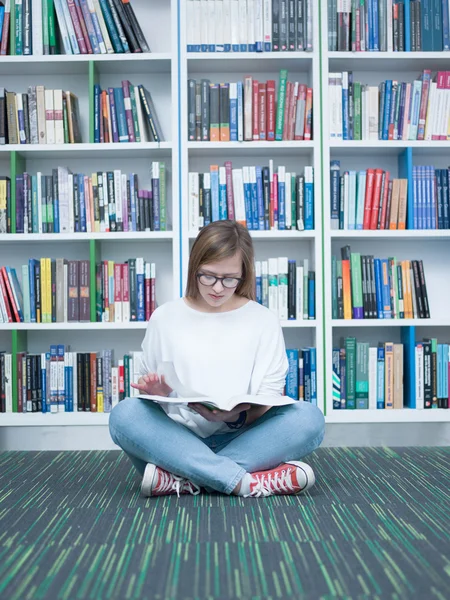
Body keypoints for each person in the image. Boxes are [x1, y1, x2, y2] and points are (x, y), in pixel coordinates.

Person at [109, 220, 325, 498]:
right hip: (177, 440)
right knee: (125, 415)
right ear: (195, 267)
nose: (218, 288)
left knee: (309, 418)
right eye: (208, 276)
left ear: (243, 275)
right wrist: (159, 394)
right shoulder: (164, 318)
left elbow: (267, 401)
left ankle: (185, 478)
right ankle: (247, 482)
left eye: (229, 279)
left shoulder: (263, 321)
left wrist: (235, 417)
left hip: (243, 437)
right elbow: (154, 405)